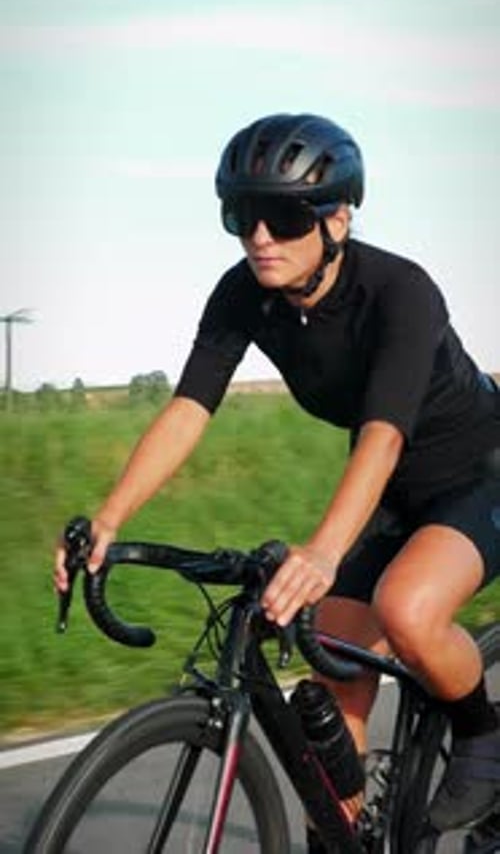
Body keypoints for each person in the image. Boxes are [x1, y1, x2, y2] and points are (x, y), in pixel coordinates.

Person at [55, 113, 500, 849]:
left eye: (285, 215)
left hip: (479, 470)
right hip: (387, 489)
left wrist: (324, 552)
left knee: (409, 608)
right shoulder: (244, 293)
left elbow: (385, 436)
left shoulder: (401, 291)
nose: (261, 235)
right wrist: (108, 519)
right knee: (334, 665)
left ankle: (483, 735)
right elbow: (189, 410)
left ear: (339, 217)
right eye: (243, 214)